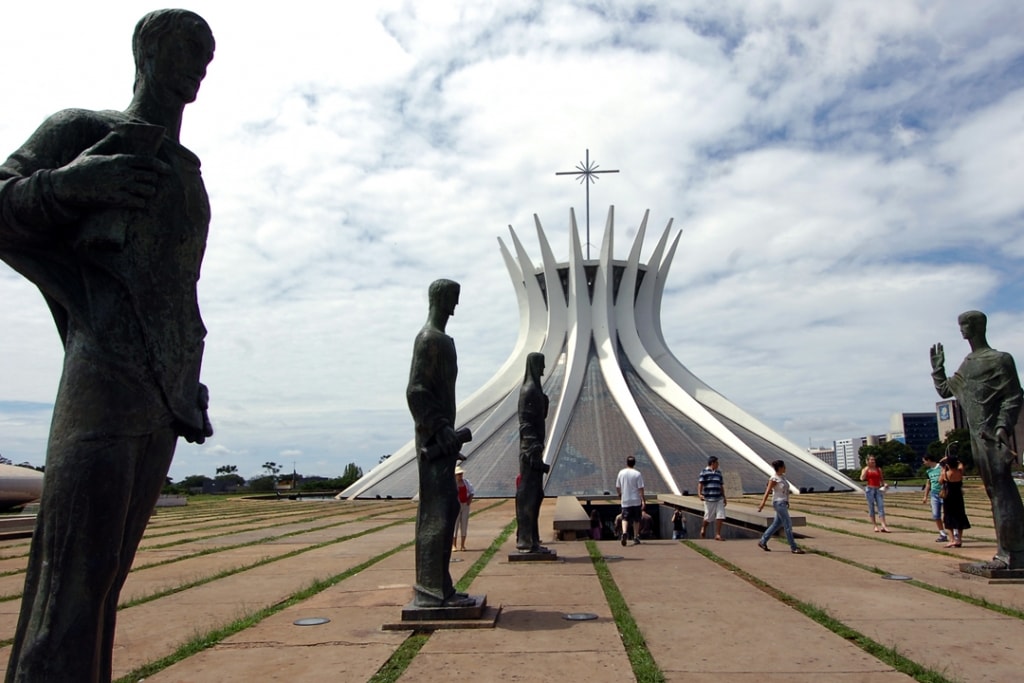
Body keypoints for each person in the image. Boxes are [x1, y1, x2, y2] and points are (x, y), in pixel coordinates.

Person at [0, 11, 215, 682]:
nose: (198, 66)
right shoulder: (82, 131)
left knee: (103, 588)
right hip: (103, 378)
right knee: (71, 586)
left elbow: (177, 291)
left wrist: (188, 377)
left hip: (162, 394)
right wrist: (69, 185)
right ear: (145, 52)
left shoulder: (187, 173)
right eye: (185, 49)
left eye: (206, 56)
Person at [931, 310, 1024, 569]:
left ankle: (1013, 556)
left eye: (965, 325)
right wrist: (938, 369)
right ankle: (1007, 552)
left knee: (1003, 491)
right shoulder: (968, 364)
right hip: (977, 436)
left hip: (992, 434)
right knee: (995, 492)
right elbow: (946, 389)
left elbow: (1014, 395)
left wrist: (1003, 425)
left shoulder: (999, 359)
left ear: (977, 326)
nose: (962, 330)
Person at [407, 279, 474, 608]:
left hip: (442, 442)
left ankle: (440, 586)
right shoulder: (429, 339)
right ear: (441, 298)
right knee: (437, 511)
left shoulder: (443, 340)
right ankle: (430, 590)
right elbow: (416, 391)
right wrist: (439, 428)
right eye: (453, 299)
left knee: (446, 508)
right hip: (433, 442)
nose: (455, 306)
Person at [515, 352, 551, 553]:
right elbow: (525, 423)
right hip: (530, 452)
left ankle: (532, 538)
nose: (544, 370)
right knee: (528, 495)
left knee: (536, 494)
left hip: (536, 448)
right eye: (541, 365)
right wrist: (533, 447)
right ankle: (525, 540)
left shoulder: (536, 391)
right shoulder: (529, 390)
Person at [756, 460, 805, 554]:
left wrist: (787, 501)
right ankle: (793, 547)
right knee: (788, 524)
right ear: (780, 468)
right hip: (778, 503)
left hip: (783, 503)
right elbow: (767, 491)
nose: (785, 468)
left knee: (776, 524)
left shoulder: (782, 478)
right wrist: (762, 503)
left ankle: (763, 541)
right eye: (784, 466)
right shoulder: (774, 479)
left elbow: (785, 491)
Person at [939, 454, 970, 548]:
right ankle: (959, 539)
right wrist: (956, 459)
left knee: (948, 517)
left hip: (949, 497)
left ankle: (952, 539)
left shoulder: (946, 473)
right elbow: (961, 464)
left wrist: (944, 464)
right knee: (960, 516)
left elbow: (940, 481)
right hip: (958, 496)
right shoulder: (960, 472)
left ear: (948, 464)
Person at [616, 455, 645, 546]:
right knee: (636, 519)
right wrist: (643, 500)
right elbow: (641, 488)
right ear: (634, 463)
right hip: (636, 500)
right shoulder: (637, 474)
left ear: (627, 463)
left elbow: (617, 486)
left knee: (625, 518)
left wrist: (620, 494)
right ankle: (636, 536)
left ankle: (624, 532)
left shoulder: (621, 473)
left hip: (625, 500)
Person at [698, 456, 727, 540]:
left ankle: (718, 534)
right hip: (709, 498)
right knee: (708, 517)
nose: (718, 464)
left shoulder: (719, 473)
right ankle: (703, 528)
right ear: (712, 463)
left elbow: (721, 485)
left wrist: (724, 497)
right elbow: (700, 484)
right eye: (717, 463)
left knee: (720, 515)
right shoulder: (704, 472)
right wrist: (699, 494)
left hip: (719, 498)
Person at [921, 454, 948, 543]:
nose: (924, 463)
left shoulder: (941, 467)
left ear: (928, 460)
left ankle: (954, 532)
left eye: (924, 461)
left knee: (948, 514)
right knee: (936, 515)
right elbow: (928, 484)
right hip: (934, 494)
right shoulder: (928, 471)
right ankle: (942, 533)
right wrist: (925, 496)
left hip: (944, 493)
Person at [860, 455, 890, 532]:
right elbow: (862, 478)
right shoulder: (866, 469)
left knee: (881, 507)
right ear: (868, 461)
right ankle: (875, 526)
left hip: (878, 489)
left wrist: (885, 485)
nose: (873, 461)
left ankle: (884, 526)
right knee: (871, 507)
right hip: (869, 489)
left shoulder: (878, 469)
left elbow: (882, 479)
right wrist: (866, 469)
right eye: (871, 460)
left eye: (874, 460)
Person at [453, 466, 474, 551]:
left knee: (464, 524)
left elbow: (472, 491)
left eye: (461, 474)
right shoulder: (453, 484)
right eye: (458, 474)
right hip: (456, 505)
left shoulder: (466, 482)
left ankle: (463, 545)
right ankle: (454, 545)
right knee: (455, 525)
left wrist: (469, 500)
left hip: (465, 504)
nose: (460, 476)